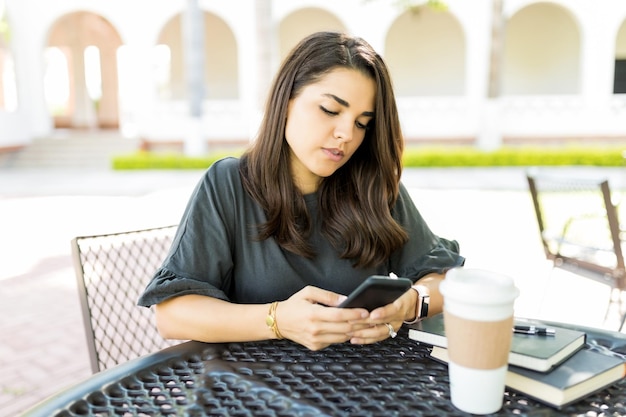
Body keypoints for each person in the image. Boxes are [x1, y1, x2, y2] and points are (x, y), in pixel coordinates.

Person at [138, 31, 464, 351]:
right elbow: (172, 315)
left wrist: (410, 304)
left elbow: (444, 281)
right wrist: (278, 320)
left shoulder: (372, 186)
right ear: (287, 100)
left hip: (365, 386)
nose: (346, 134)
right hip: (255, 389)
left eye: (362, 122)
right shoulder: (229, 184)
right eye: (330, 110)